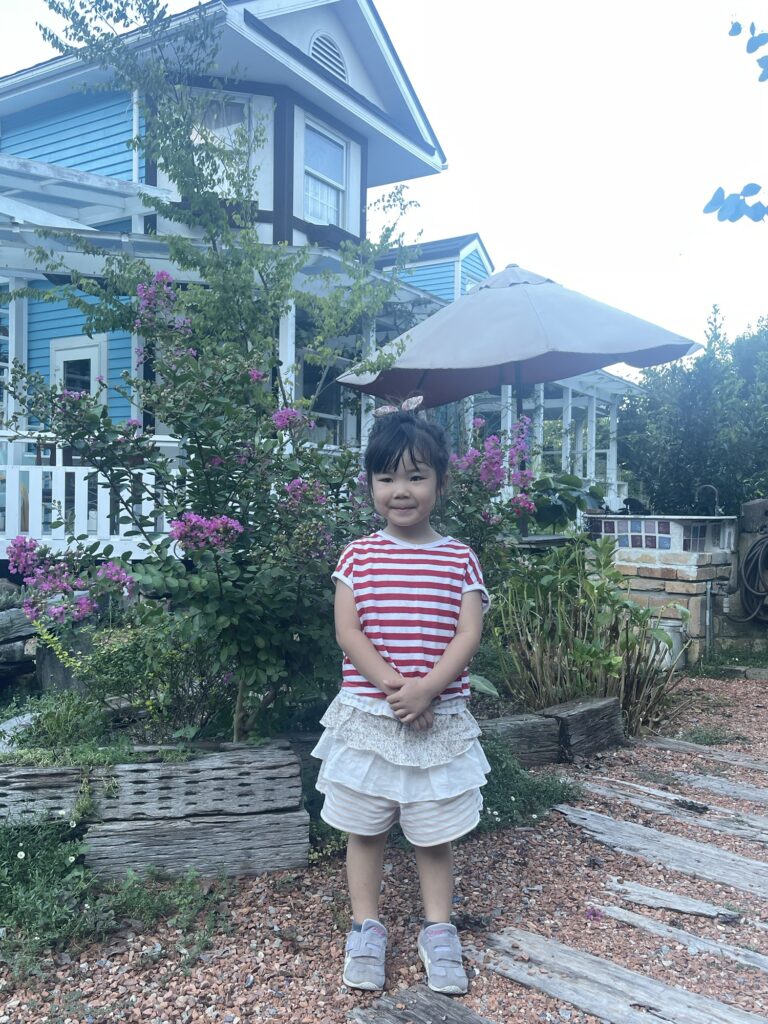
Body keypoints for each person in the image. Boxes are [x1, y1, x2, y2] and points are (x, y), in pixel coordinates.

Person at [311, 400, 491, 996]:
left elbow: (468, 633)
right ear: (370, 484)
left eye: (416, 476)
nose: (401, 490)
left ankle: (438, 929)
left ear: (440, 482)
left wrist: (427, 689)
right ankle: (366, 926)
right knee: (365, 829)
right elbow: (348, 631)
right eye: (387, 477)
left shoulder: (459, 558)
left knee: (433, 832)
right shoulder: (358, 556)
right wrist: (396, 687)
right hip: (372, 716)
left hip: (436, 719)